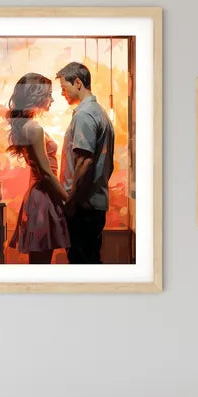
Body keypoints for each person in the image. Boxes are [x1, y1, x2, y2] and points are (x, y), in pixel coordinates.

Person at [4, 73, 70, 265]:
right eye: (49, 94)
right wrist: (67, 201)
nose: (52, 99)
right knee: (41, 263)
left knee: (40, 262)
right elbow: (46, 173)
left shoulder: (26, 126)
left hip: (39, 197)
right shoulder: (34, 128)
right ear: (37, 95)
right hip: (43, 198)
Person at [56, 62, 115, 264]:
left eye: (64, 88)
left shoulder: (84, 115)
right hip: (93, 204)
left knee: (81, 264)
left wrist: (71, 202)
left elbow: (85, 162)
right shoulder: (100, 112)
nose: (63, 93)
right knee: (90, 261)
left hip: (83, 206)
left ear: (78, 83)